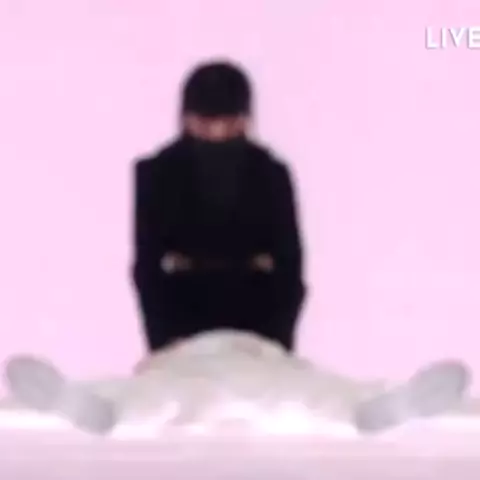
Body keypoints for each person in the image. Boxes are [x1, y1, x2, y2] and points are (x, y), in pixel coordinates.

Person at [132, 60, 305, 352]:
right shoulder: (155, 173)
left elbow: (291, 264)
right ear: (186, 119)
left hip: (257, 313)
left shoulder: (271, 173)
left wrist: (278, 340)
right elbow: (146, 265)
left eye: (229, 125)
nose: (217, 134)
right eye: (205, 124)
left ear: (245, 121)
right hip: (181, 313)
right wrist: (162, 341)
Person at [3, 330, 472, 435]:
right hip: (262, 360)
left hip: (182, 365)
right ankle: (367, 411)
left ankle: (104, 412)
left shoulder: (171, 361)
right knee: (310, 398)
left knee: (151, 400)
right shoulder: (271, 354)